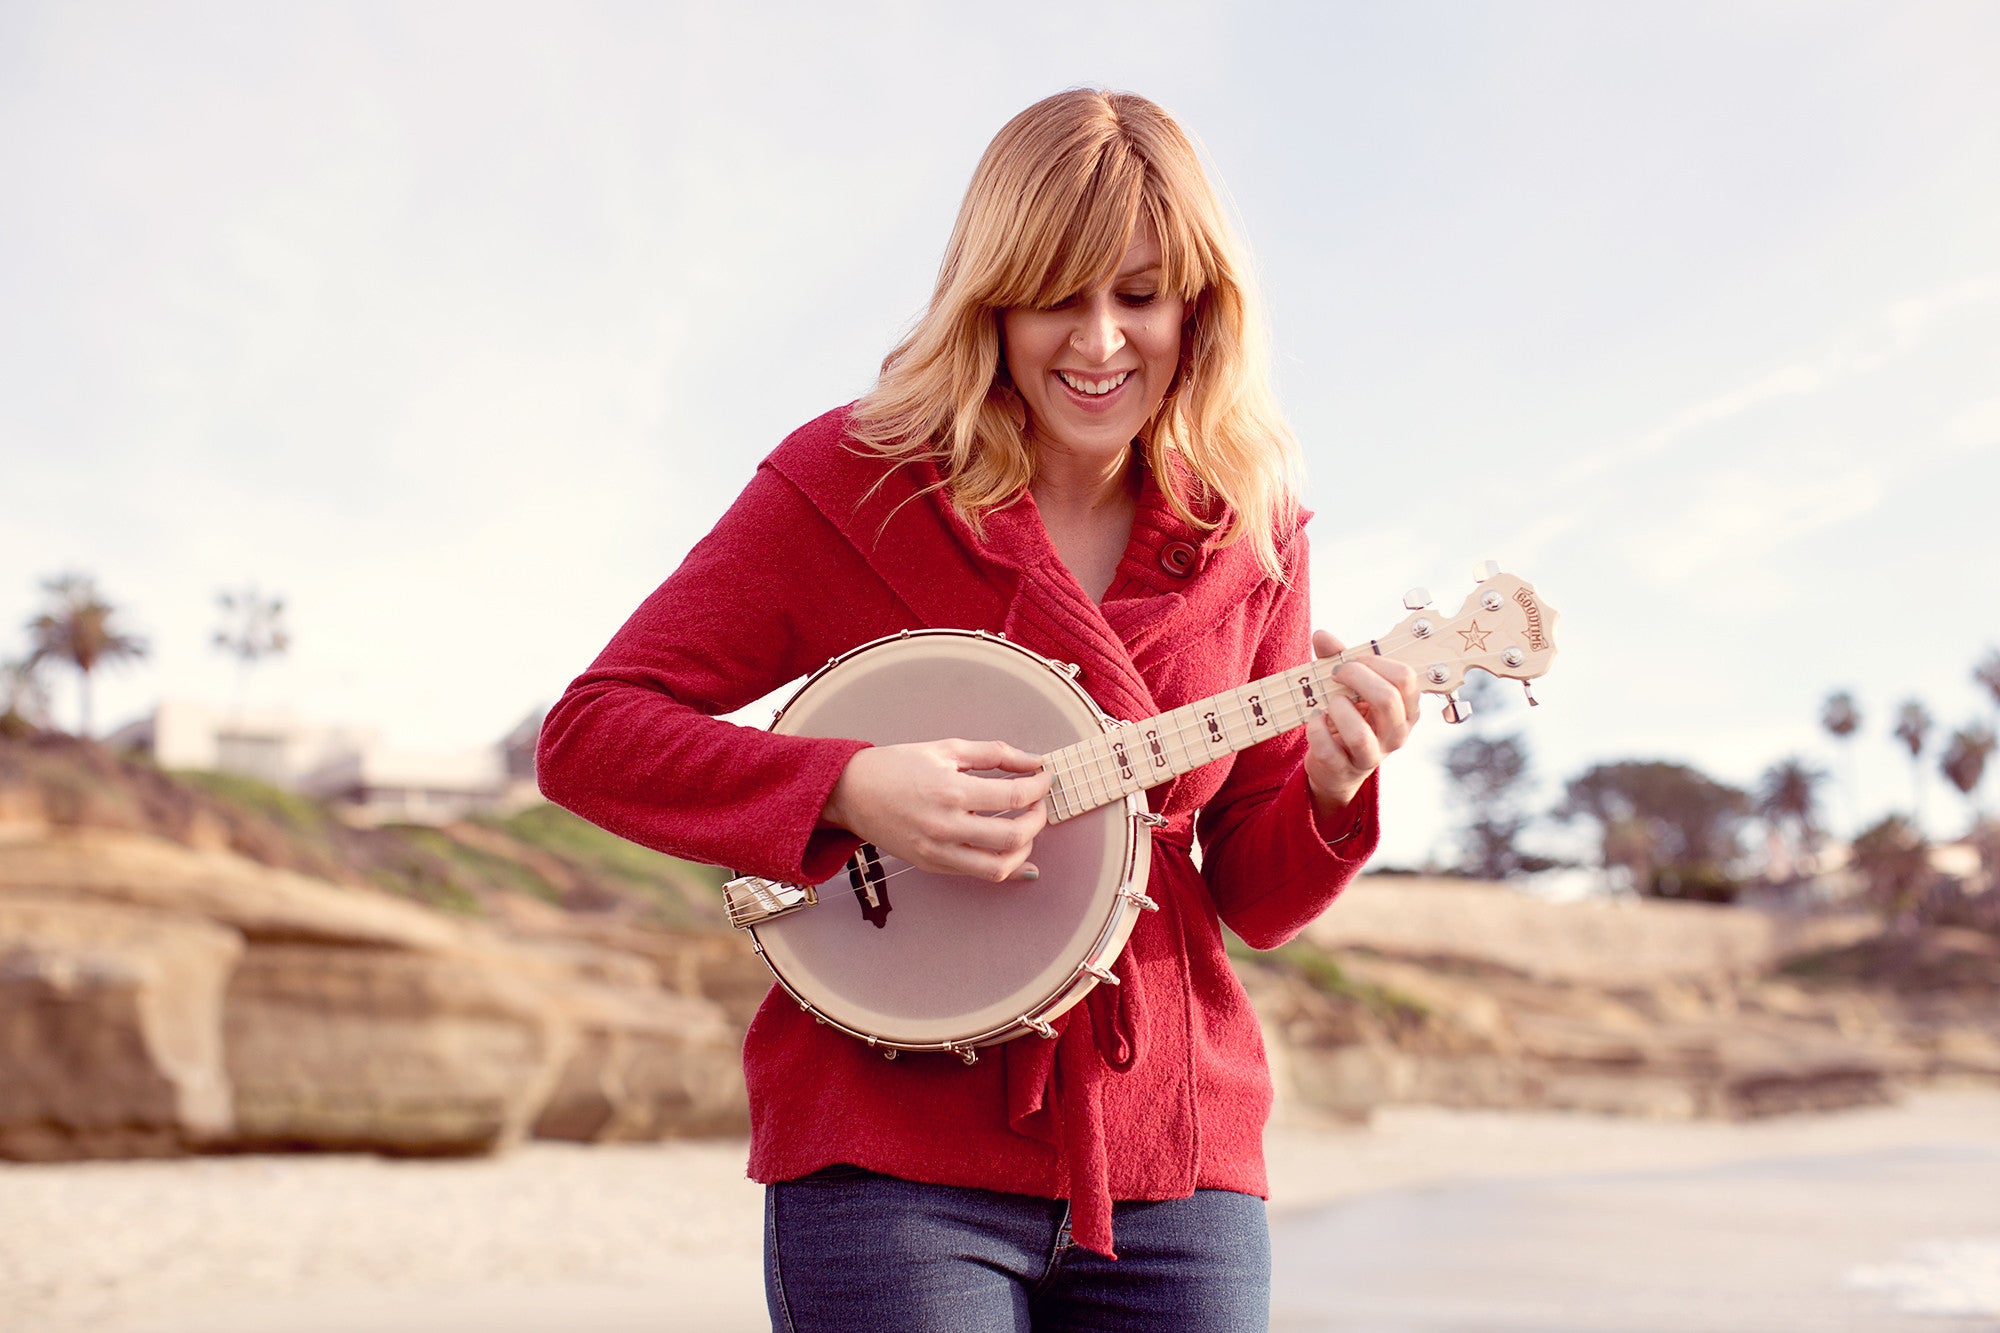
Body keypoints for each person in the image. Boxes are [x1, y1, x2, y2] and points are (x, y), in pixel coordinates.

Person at [536, 87, 1420, 1333]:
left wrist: (1332, 788)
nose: (1100, 341)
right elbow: (593, 734)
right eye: (1056, 295)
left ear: (1198, 307)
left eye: (1139, 293)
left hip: (1178, 1155)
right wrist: (845, 786)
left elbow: (1256, 897)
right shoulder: (852, 480)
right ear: (989, 299)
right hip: (888, 1152)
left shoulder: (1253, 534)